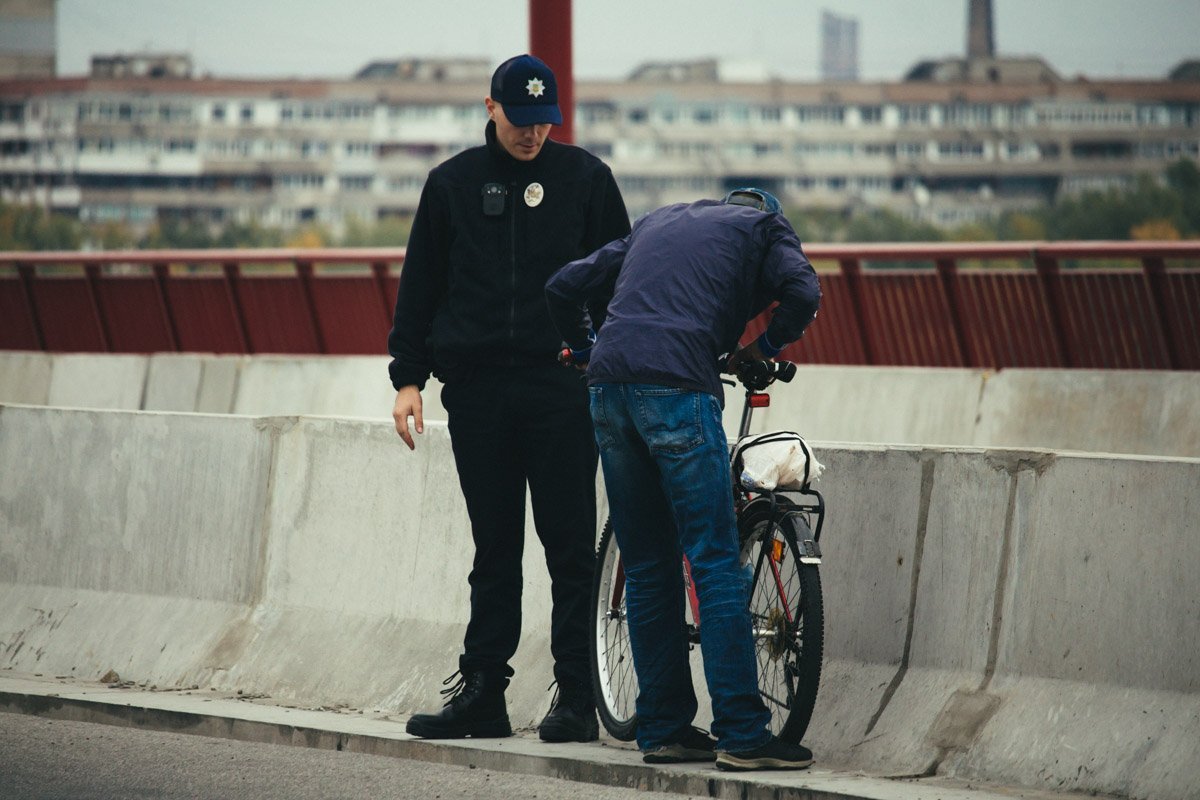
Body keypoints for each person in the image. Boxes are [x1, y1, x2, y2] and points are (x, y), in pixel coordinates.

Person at [387, 54, 630, 742]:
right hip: (480, 391)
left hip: (563, 389)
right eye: (520, 121)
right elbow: (421, 287)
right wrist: (409, 379)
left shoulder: (586, 180)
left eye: (543, 121)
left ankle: (577, 697)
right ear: (490, 108)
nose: (532, 135)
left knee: (570, 550)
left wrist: (618, 368)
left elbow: (620, 283)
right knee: (494, 549)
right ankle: (484, 692)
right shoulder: (452, 185)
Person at [544, 189, 821, 770]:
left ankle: (664, 729)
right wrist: (760, 347)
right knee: (714, 558)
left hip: (609, 387)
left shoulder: (660, 221)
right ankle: (743, 734)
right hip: (676, 385)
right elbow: (804, 293)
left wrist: (587, 349)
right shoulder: (766, 231)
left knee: (646, 567)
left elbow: (564, 285)